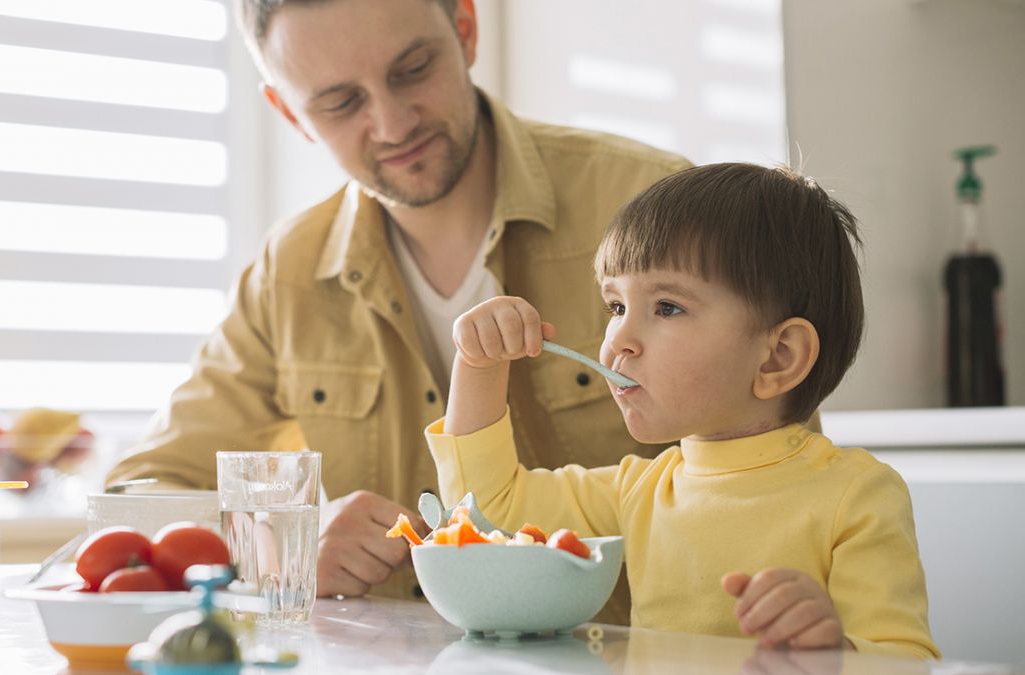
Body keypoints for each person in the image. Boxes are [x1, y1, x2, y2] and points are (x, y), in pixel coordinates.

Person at [106, 0, 693, 617]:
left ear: (465, 30)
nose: (391, 124)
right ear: (289, 113)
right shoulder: (289, 274)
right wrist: (275, 543)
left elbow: (774, 452)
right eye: (340, 104)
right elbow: (137, 497)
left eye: (413, 69)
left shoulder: (649, 205)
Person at [426, 163, 940, 658]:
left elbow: (904, 658)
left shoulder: (857, 497)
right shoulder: (639, 491)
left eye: (667, 307)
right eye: (616, 307)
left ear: (778, 356)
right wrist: (479, 366)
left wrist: (832, 651)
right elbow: (485, 510)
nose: (617, 340)